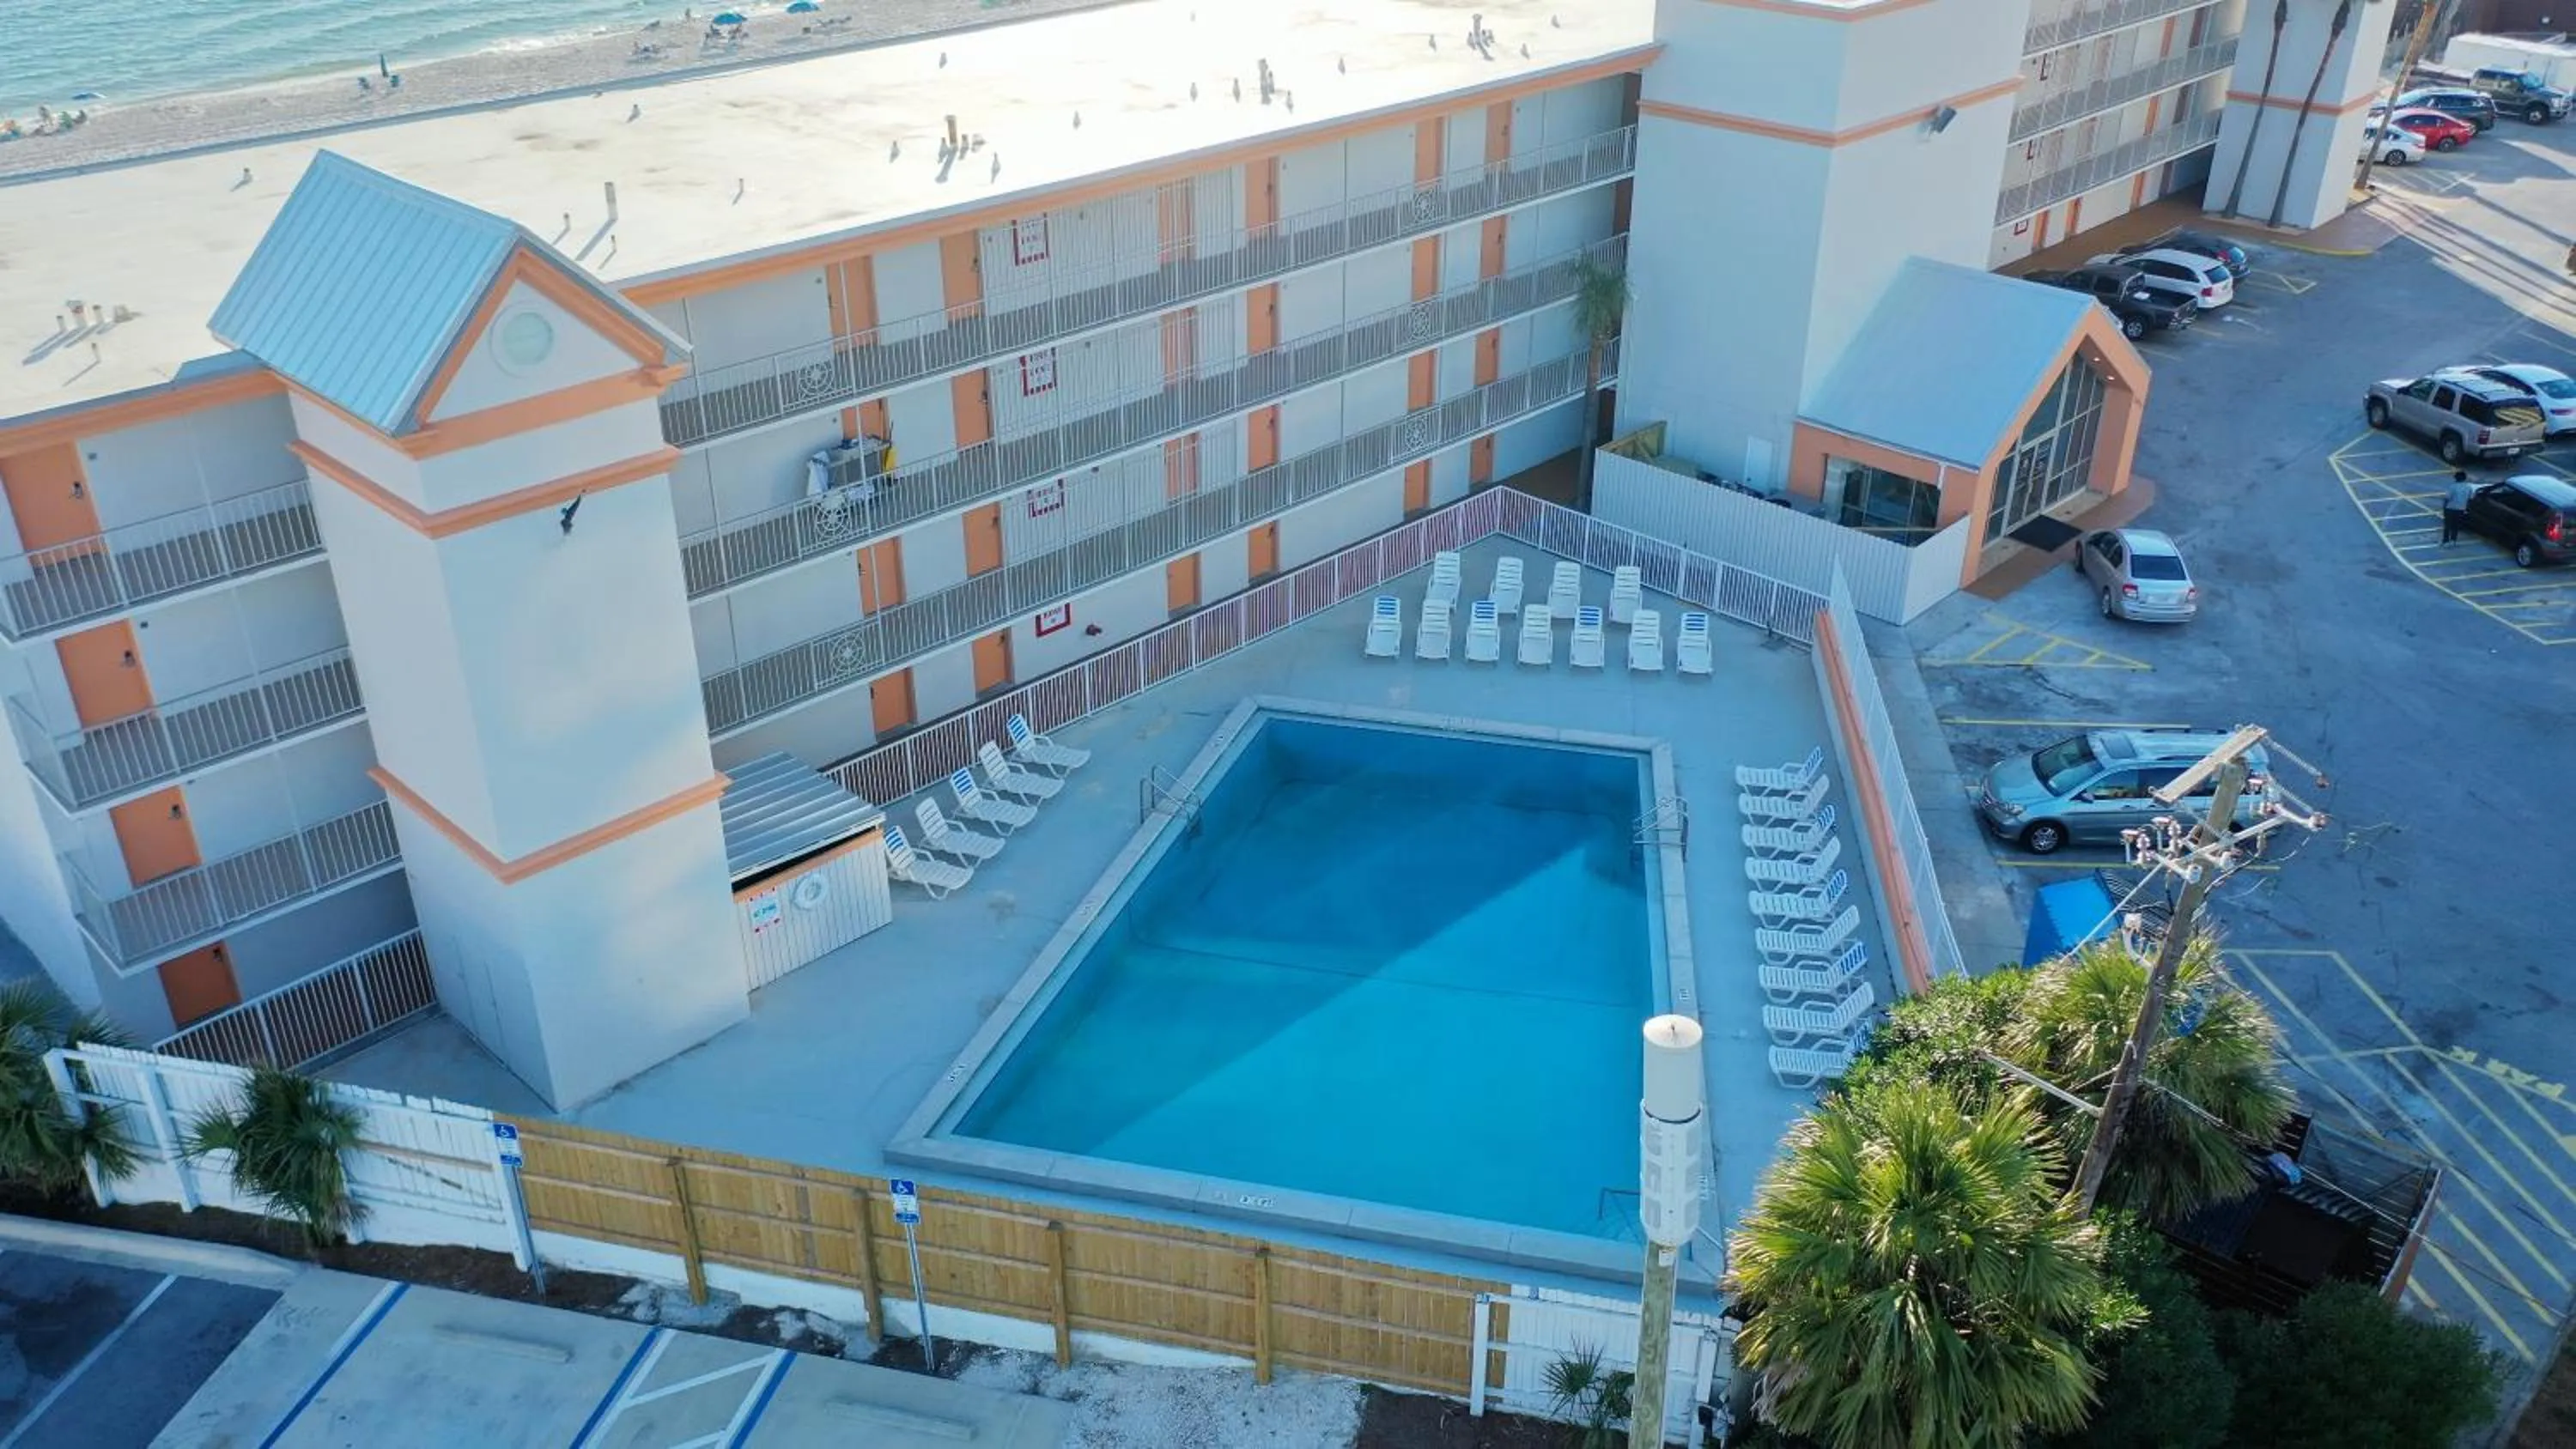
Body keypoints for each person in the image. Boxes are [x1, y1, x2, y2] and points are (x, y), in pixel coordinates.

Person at [2443, 470, 2475, 544]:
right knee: (2456, 525)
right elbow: (2470, 499)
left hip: (2450, 508)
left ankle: (2446, 541)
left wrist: (2444, 507)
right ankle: (2453, 540)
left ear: (2456, 478)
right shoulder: (2468, 487)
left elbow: (2447, 498)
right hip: (2461, 509)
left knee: (2447, 525)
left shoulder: (2453, 487)